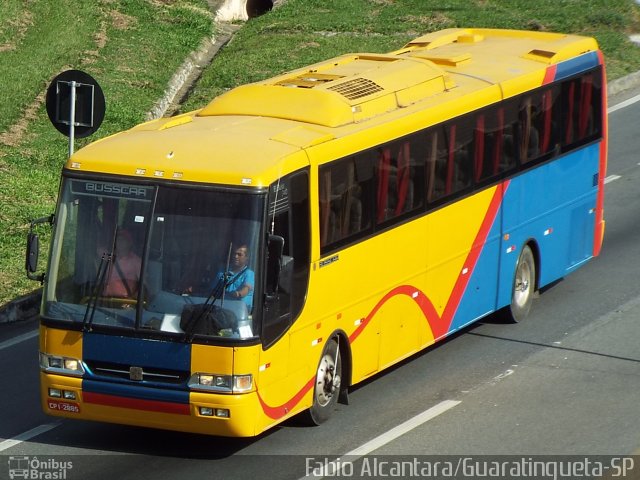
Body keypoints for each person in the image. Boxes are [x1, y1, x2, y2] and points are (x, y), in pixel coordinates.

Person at [103, 230, 141, 299]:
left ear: (129, 243)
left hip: (125, 301)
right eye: (118, 240)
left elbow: (143, 285)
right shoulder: (108, 257)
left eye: (123, 240)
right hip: (106, 299)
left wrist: (134, 300)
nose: (119, 242)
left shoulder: (137, 261)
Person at [216, 244, 254, 310]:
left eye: (239, 254)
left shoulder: (249, 274)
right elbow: (214, 289)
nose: (236, 256)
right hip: (222, 307)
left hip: (239, 310)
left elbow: (246, 289)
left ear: (246, 258)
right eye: (234, 254)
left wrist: (238, 294)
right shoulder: (223, 271)